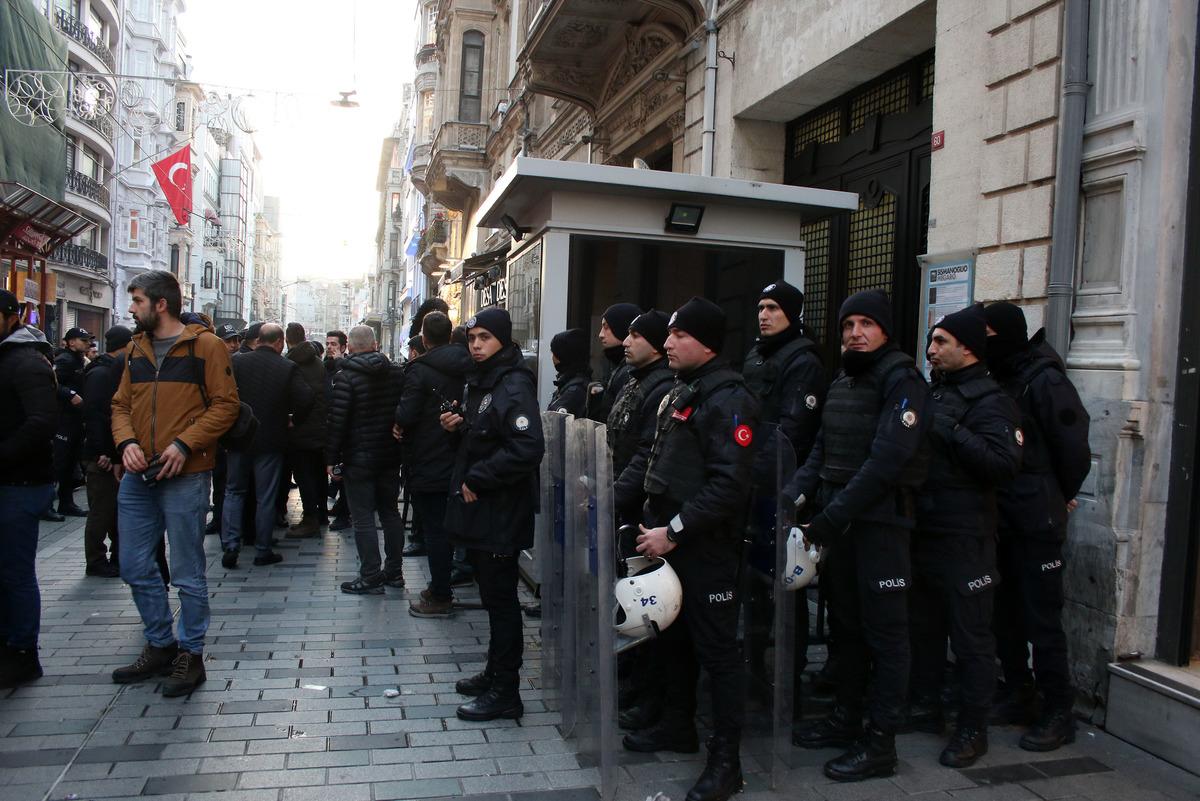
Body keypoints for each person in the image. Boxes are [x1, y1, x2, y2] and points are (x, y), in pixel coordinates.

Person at [614, 298, 758, 801]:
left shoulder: (729, 399)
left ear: (708, 343)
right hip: (668, 547)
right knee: (671, 642)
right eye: (668, 334)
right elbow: (658, 463)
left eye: (679, 335)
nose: (668, 342)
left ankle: (726, 763)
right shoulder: (684, 392)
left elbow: (729, 485)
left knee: (718, 655)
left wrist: (672, 530)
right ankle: (678, 726)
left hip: (707, 551)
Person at [787, 289, 931, 782]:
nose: (855, 333)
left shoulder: (903, 381)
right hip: (842, 526)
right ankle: (846, 718)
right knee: (845, 626)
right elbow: (823, 450)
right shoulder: (845, 378)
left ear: (886, 331)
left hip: (881, 528)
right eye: (849, 325)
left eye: (867, 324)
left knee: (887, 636)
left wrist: (831, 516)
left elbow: (885, 462)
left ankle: (880, 742)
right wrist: (793, 496)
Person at [110, 270, 239, 697]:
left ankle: (191, 653)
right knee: (132, 564)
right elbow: (121, 404)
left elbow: (226, 406)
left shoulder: (206, 346)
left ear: (160, 304)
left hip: (185, 473)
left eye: (137, 300)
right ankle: (161, 642)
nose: (132, 308)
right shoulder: (135, 349)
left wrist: (185, 445)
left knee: (186, 569)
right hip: (137, 473)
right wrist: (125, 441)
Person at [909, 306, 1023, 768]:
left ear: (969, 349)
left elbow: (1004, 465)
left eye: (940, 342)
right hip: (927, 532)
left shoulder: (992, 401)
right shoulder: (934, 391)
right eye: (932, 342)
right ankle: (926, 706)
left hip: (968, 539)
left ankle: (972, 729)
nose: (930, 350)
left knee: (972, 638)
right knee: (926, 629)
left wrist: (953, 431)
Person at [983, 302, 1091, 752]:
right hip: (1004, 518)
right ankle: (1018, 691)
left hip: (1037, 519)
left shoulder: (1044, 380)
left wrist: (1056, 494)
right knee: (1004, 614)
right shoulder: (1002, 376)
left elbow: (1073, 447)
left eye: (989, 333)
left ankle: (1057, 709)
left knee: (1042, 620)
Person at [440, 308, 544, 721]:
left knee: (501, 602)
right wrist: (458, 428)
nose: (477, 345)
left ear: (502, 339)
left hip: (501, 510)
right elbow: (485, 437)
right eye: (472, 338)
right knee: (491, 596)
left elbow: (526, 447)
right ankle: (494, 671)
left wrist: (480, 478)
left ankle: (507, 690)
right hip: (484, 510)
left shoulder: (512, 383)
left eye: (485, 337)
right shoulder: (484, 381)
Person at [395, 311, 471, 617]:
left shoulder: (420, 369)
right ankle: (441, 584)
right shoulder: (469, 365)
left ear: (424, 338)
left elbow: (406, 413)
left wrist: (398, 421)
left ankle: (440, 593)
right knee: (447, 526)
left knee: (435, 530)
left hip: (428, 456)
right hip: (458, 454)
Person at [0, 289, 58, 688]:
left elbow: (40, 422)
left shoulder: (26, 362)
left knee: (14, 571)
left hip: (19, 483)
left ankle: (23, 651)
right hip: (11, 479)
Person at [220, 323, 314, 568]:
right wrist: (293, 419)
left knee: (234, 491)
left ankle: (230, 544)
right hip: (271, 439)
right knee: (266, 497)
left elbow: (222, 396)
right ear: (280, 342)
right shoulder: (286, 367)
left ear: (259, 339)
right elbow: (306, 398)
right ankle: (263, 549)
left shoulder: (238, 362)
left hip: (240, 437)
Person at [327, 325, 406, 594]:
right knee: (390, 512)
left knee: (362, 518)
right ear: (374, 344)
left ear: (349, 345)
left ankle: (370, 575)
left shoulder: (345, 377)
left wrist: (331, 458)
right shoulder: (396, 373)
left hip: (358, 457)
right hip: (389, 454)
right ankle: (394, 572)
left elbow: (337, 421)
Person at [80, 326, 133, 577]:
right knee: (101, 511)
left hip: (113, 454)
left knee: (114, 509)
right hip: (101, 456)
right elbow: (96, 416)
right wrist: (102, 451)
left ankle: (117, 557)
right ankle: (96, 560)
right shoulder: (101, 374)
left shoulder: (113, 371)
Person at [282, 323, 328, 539]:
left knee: (304, 475)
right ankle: (321, 513)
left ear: (287, 339)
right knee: (317, 472)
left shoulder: (290, 363)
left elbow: (298, 397)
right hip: (319, 426)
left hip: (301, 429)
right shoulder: (318, 362)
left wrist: (294, 419)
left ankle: (310, 518)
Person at [50, 326, 92, 518]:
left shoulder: (78, 360)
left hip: (75, 419)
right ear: (71, 342)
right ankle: (46, 505)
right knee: (59, 462)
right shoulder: (65, 360)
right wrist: (70, 394)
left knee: (69, 462)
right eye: (83, 341)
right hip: (63, 419)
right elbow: (52, 383)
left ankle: (66, 503)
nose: (87, 344)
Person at [206, 325, 242, 536]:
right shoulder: (213, 363)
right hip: (217, 435)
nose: (233, 345)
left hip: (233, 434)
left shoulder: (239, 363)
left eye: (236, 340)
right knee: (220, 481)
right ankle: (219, 519)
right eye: (229, 341)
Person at [592, 303, 641, 421]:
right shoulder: (612, 364)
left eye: (607, 327)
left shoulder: (630, 371)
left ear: (621, 327)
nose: (600, 335)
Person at [547, 328, 592, 416]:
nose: (552, 358)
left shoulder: (574, 391)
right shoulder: (571, 382)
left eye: (554, 353)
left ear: (563, 356)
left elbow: (554, 422)